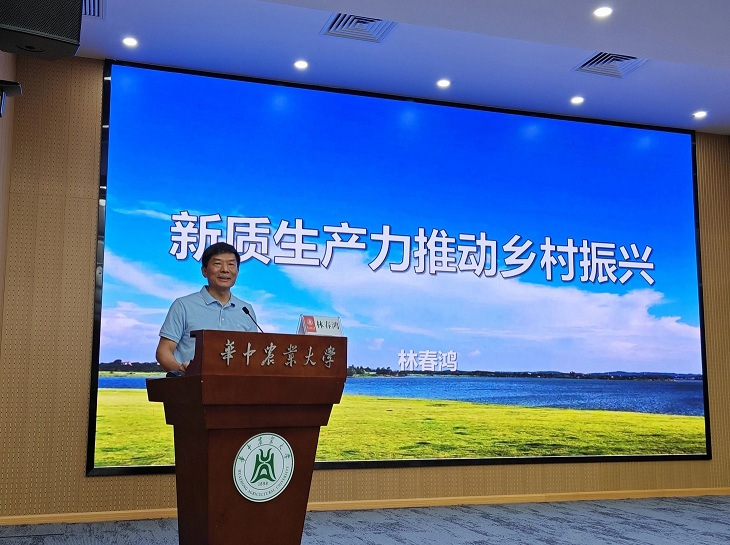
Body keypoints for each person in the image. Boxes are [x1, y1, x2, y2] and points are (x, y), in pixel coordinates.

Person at [156, 242, 258, 375]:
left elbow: (253, 355)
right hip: (191, 385)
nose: (225, 270)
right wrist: (183, 373)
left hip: (235, 386)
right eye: (217, 263)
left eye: (231, 264)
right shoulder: (183, 305)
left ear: (237, 272)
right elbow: (163, 351)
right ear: (204, 271)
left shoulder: (246, 310)